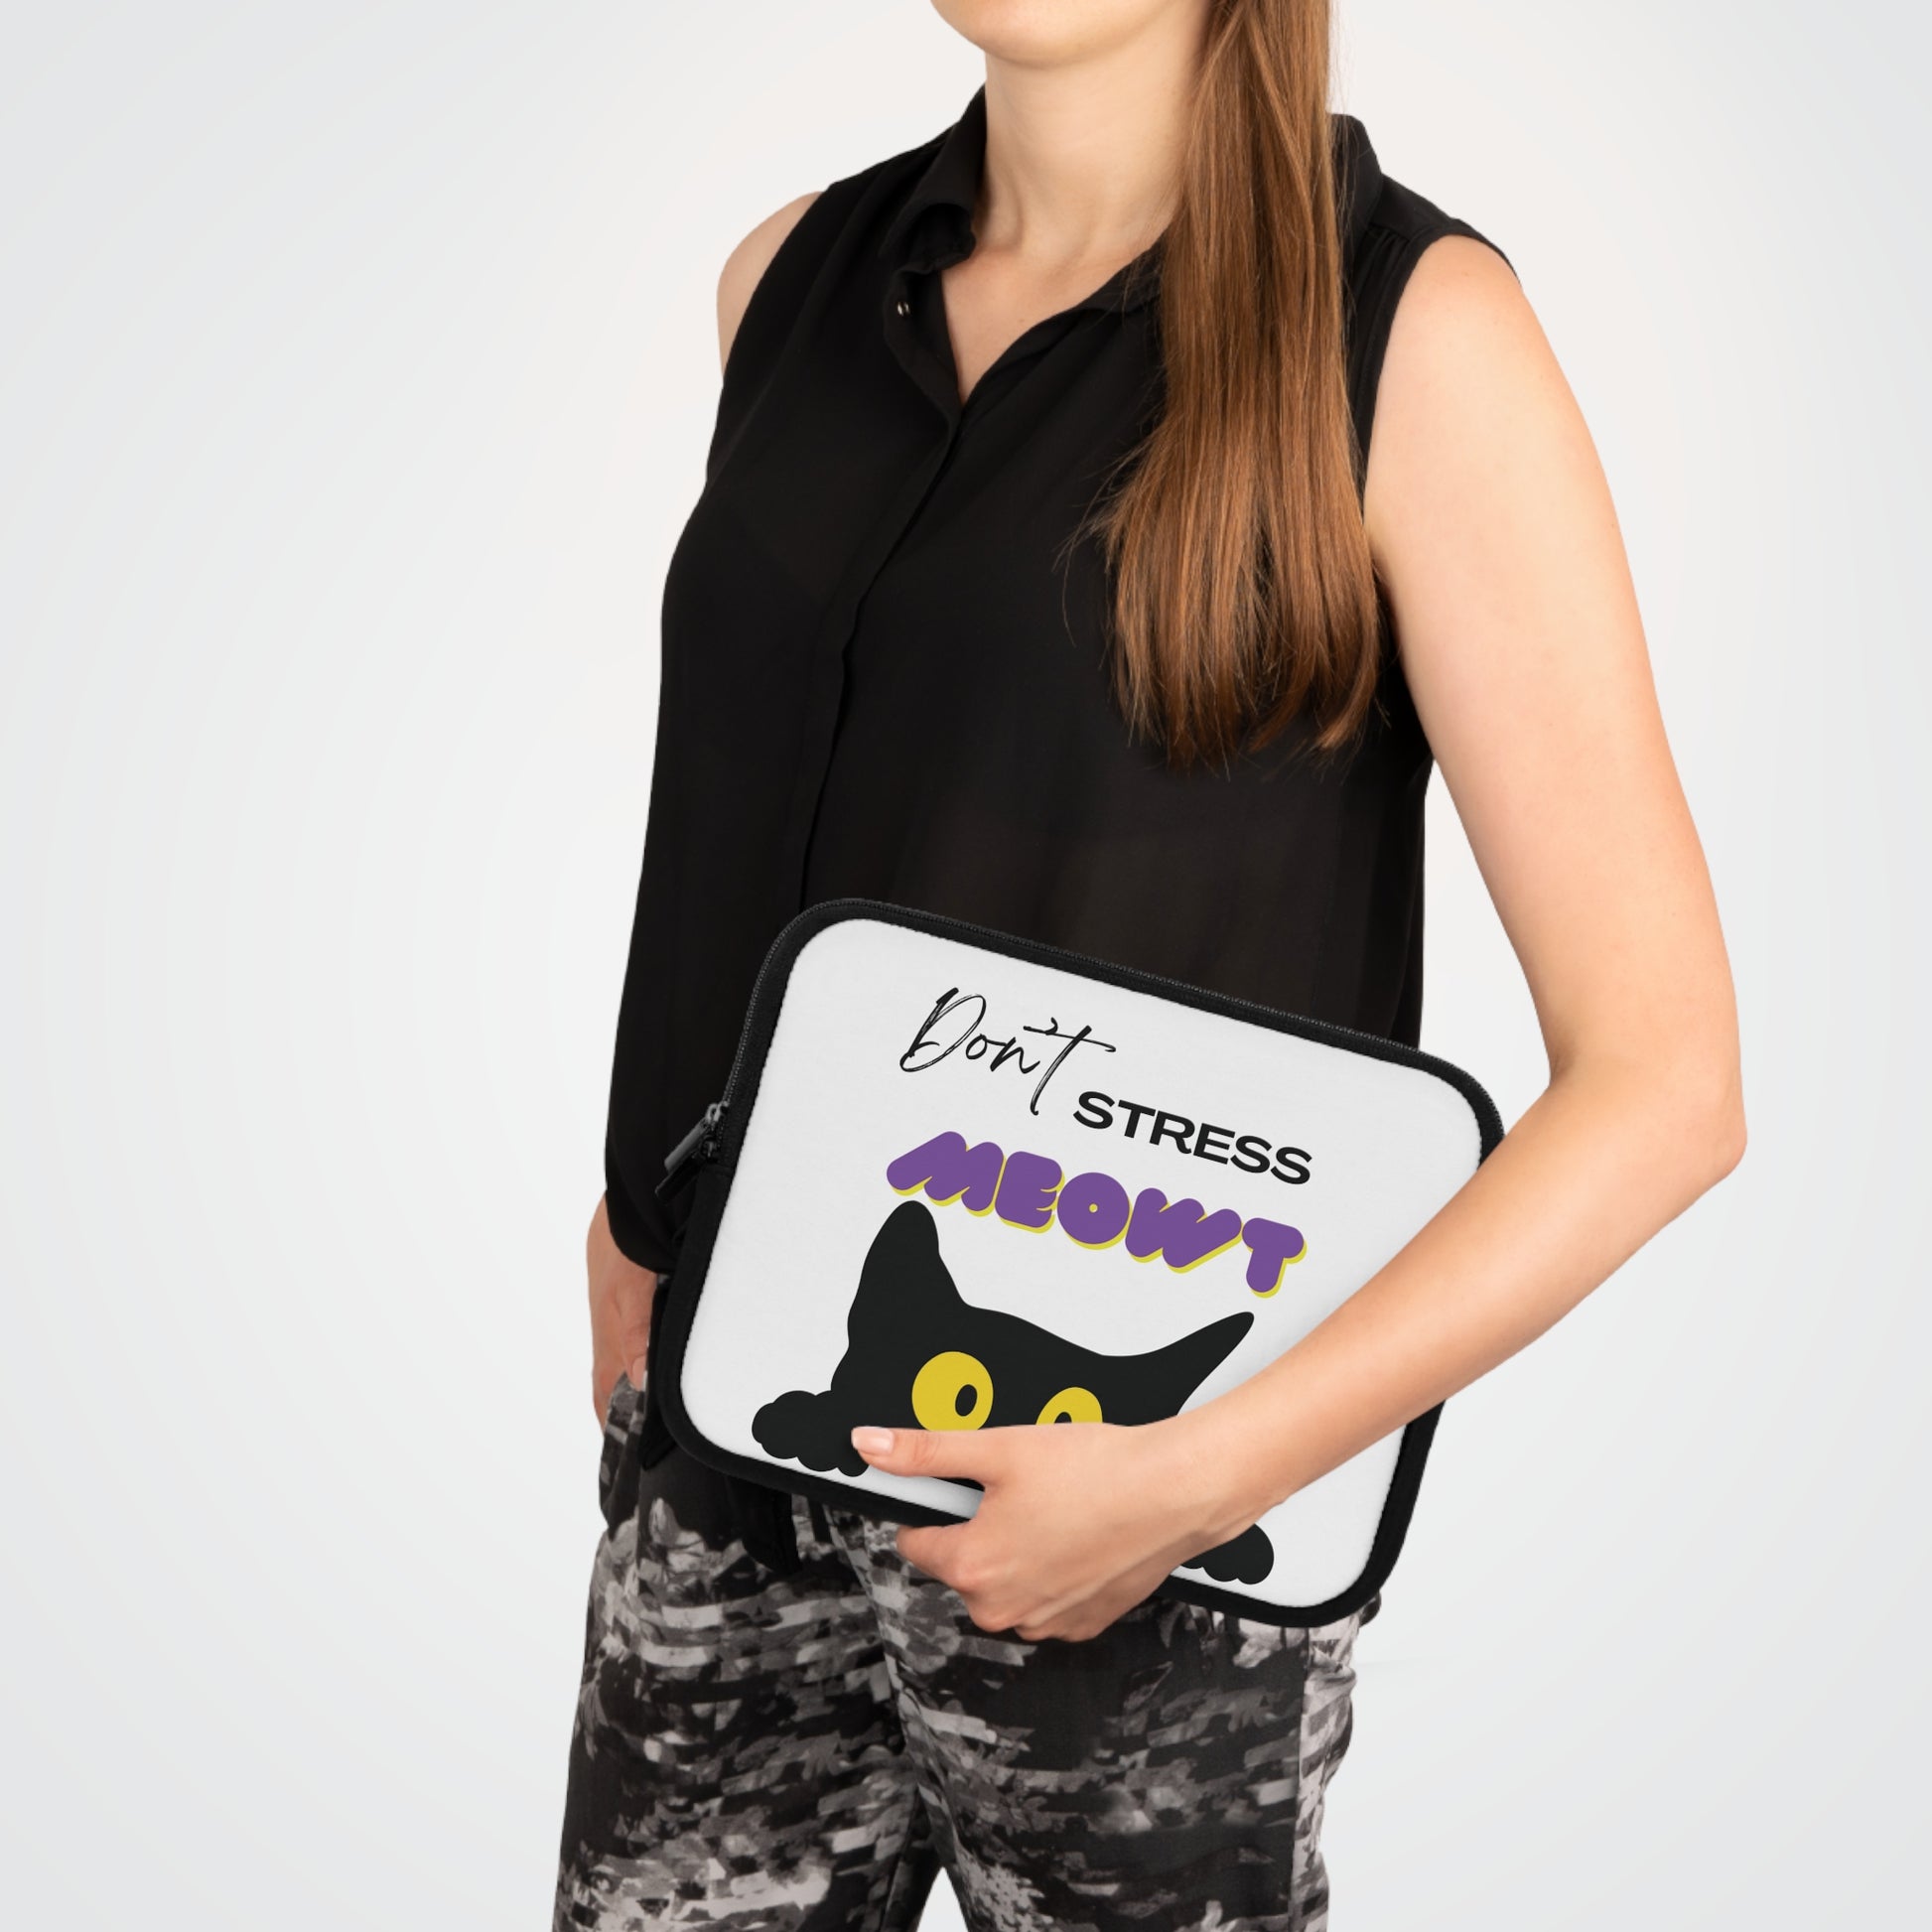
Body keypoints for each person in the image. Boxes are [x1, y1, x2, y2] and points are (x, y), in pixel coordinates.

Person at [555, 2, 1744, 1926]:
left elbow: (1666, 1080)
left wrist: (1199, 1476)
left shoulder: (1415, 337)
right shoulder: (783, 280)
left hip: (1141, 1536)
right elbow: (783, 800)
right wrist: (636, 1204)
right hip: (734, 1429)